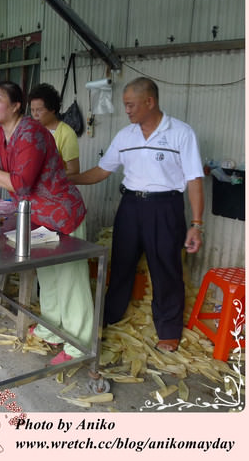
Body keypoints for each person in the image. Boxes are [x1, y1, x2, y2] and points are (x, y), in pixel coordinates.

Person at [0, 81, 92, 364]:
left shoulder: (31, 133)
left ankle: (78, 345)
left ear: (16, 105)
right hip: (37, 216)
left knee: (70, 281)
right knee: (49, 276)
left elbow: (20, 184)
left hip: (61, 214)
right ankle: (53, 329)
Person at [70, 77, 204, 353]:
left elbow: (194, 180)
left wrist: (196, 224)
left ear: (150, 102)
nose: (127, 110)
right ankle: (110, 315)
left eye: (131, 105)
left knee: (166, 267)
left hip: (165, 208)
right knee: (121, 263)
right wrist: (68, 180)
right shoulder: (125, 136)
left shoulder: (180, 132)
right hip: (130, 206)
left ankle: (168, 330)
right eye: (125, 105)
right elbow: (102, 171)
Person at [29, 83, 80, 176]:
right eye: (32, 110)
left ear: (52, 109)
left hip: (54, 188)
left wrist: (47, 177)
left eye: (39, 110)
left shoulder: (66, 134)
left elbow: (74, 170)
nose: (35, 115)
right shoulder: (32, 131)